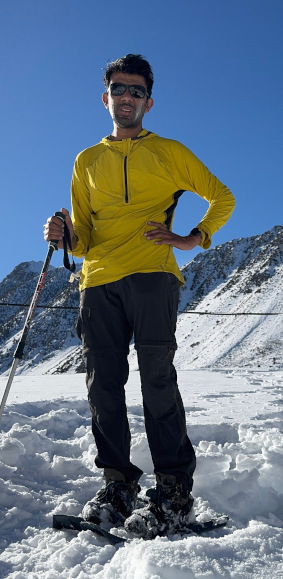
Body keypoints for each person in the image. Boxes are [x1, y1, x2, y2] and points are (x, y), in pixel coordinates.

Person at [44, 54, 235, 538]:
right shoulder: (86, 161)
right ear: (104, 96)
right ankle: (118, 488)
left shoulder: (169, 152)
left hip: (153, 276)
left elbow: (222, 197)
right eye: (117, 88)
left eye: (135, 90)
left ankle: (173, 494)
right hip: (97, 281)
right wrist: (65, 236)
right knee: (102, 388)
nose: (125, 97)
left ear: (148, 101)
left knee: (157, 383)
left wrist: (195, 237)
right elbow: (83, 237)